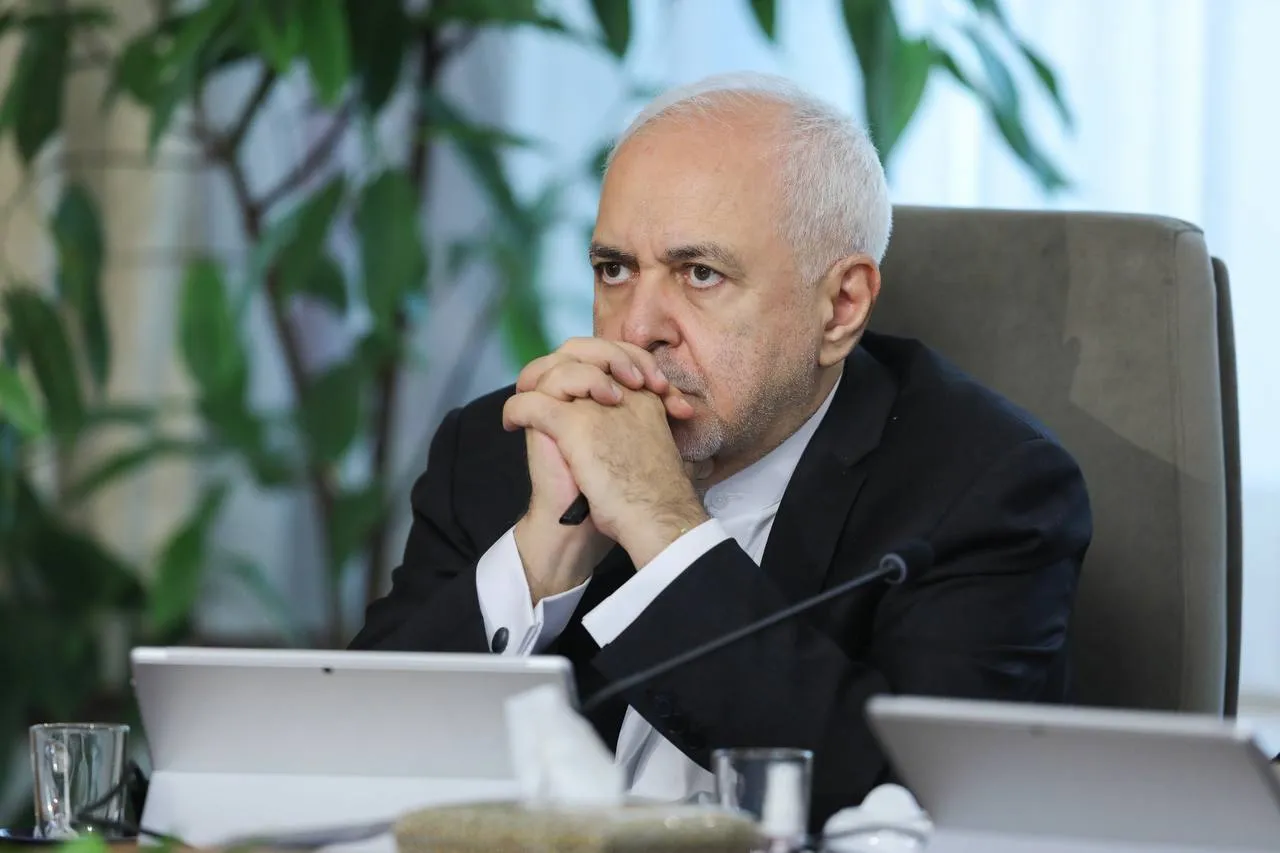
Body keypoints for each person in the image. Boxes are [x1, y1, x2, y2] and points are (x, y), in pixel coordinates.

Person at [350, 71, 1092, 827]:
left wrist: (660, 525)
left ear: (840, 307)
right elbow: (345, 757)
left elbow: (917, 809)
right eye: (615, 270)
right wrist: (543, 557)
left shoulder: (986, 489)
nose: (638, 328)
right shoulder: (507, 443)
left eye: (699, 274)